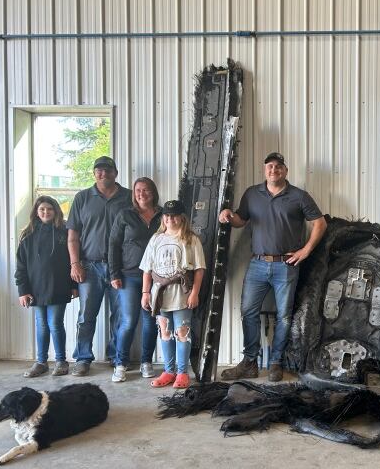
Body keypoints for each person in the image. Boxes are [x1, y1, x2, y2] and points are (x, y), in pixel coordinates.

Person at [218, 152, 327, 382]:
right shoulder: (252, 194)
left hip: (285, 266)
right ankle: (250, 362)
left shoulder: (298, 196)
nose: (274, 170)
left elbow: (320, 223)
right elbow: (241, 220)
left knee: (284, 317)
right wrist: (229, 215)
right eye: (270, 166)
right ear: (264, 169)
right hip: (257, 263)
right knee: (248, 311)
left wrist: (305, 251)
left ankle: (275, 362)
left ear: (285, 171)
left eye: (278, 166)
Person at [67, 156, 133, 376]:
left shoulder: (129, 197)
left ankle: (116, 357)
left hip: (121, 268)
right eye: (98, 170)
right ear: (94, 173)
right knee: (86, 315)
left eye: (107, 170)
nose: (102, 173)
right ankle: (83, 358)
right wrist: (75, 264)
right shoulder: (82, 198)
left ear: (115, 173)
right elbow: (73, 236)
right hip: (89, 267)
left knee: (120, 315)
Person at [140, 200, 205, 389]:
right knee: (165, 332)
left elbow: (199, 269)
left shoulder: (191, 239)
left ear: (182, 217)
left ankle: (182, 373)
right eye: (167, 215)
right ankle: (169, 371)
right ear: (163, 218)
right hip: (160, 293)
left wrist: (194, 293)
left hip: (182, 292)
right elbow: (146, 269)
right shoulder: (156, 239)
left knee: (182, 332)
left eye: (174, 215)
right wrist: (145, 293)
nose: (170, 219)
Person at [107, 177, 163, 382]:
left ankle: (146, 362)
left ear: (153, 192)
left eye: (146, 190)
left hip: (157, 277)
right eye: (138, 190)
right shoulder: (125, 215)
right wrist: (114, 274)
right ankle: (120, 364)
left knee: (150, 322)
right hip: (129, 276)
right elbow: (113, 245)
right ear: (134, 194)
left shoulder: (164, 214)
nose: (142, 193)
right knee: (128, 321)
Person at [15, 196, 77, 378]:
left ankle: (61, 361)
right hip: (35, 289)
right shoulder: (28, 235)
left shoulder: (64, 232)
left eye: (49, 209)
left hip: (59, 287)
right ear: (36, 211)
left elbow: (73, 261)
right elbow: (21, 266)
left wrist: (74, 285)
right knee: (41, 324)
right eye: (42, 209)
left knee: (55, 323)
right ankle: (41, 362)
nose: (46, 212)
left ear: (56, 211)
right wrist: (23, 290)